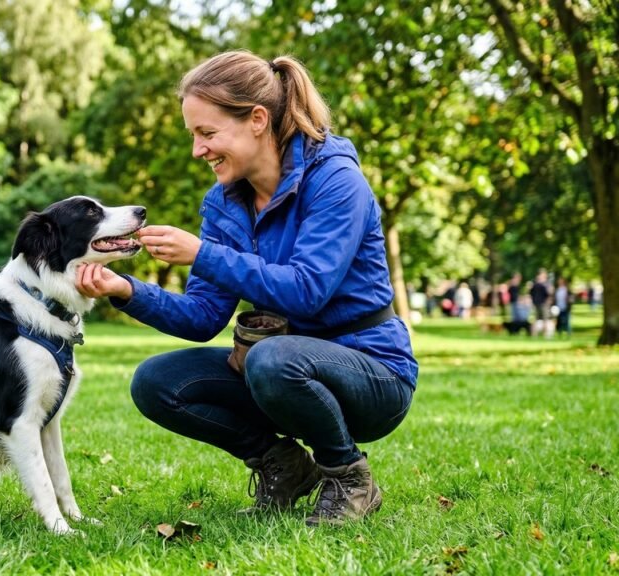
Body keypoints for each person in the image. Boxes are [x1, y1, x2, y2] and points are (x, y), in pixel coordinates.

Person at [76, 51, 417, 527]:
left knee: (271, 359)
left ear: (257, 120)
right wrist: (124, 289)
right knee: (156, 383)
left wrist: (202, 254)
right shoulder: (223, 203)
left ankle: (349, 477)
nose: (198, 150)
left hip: (375, 374)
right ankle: (286, 466)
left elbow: (306, 291)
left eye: (207, 133)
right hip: (282, 369)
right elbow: (201, 317)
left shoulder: (337, 181)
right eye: (194, 135)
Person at [530, 269, 552, 337]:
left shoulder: (535, 284)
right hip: (543, 303)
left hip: (537, 303)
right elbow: (548, 294)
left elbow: (531, 293)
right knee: (544, 319)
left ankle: (535, 334)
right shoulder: (543, 284)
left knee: (536, 319)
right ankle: (543, 334)